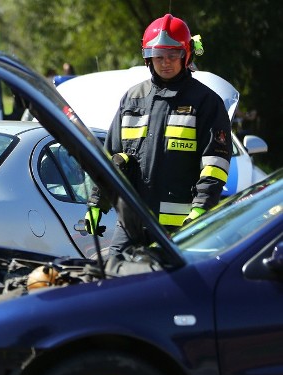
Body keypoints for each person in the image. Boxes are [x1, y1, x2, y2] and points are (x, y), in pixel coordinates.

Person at [85, 14, 232, 255]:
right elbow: (111, 158)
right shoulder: (132, 98)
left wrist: (200, 210)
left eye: (173, 55)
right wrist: (96, 203)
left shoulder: (206, 102)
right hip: (132, 222)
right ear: (148, 58)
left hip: (181, 228)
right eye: (159, 56)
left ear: (186, 55)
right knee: (115, 279)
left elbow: (215, 164)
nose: (165, 62)